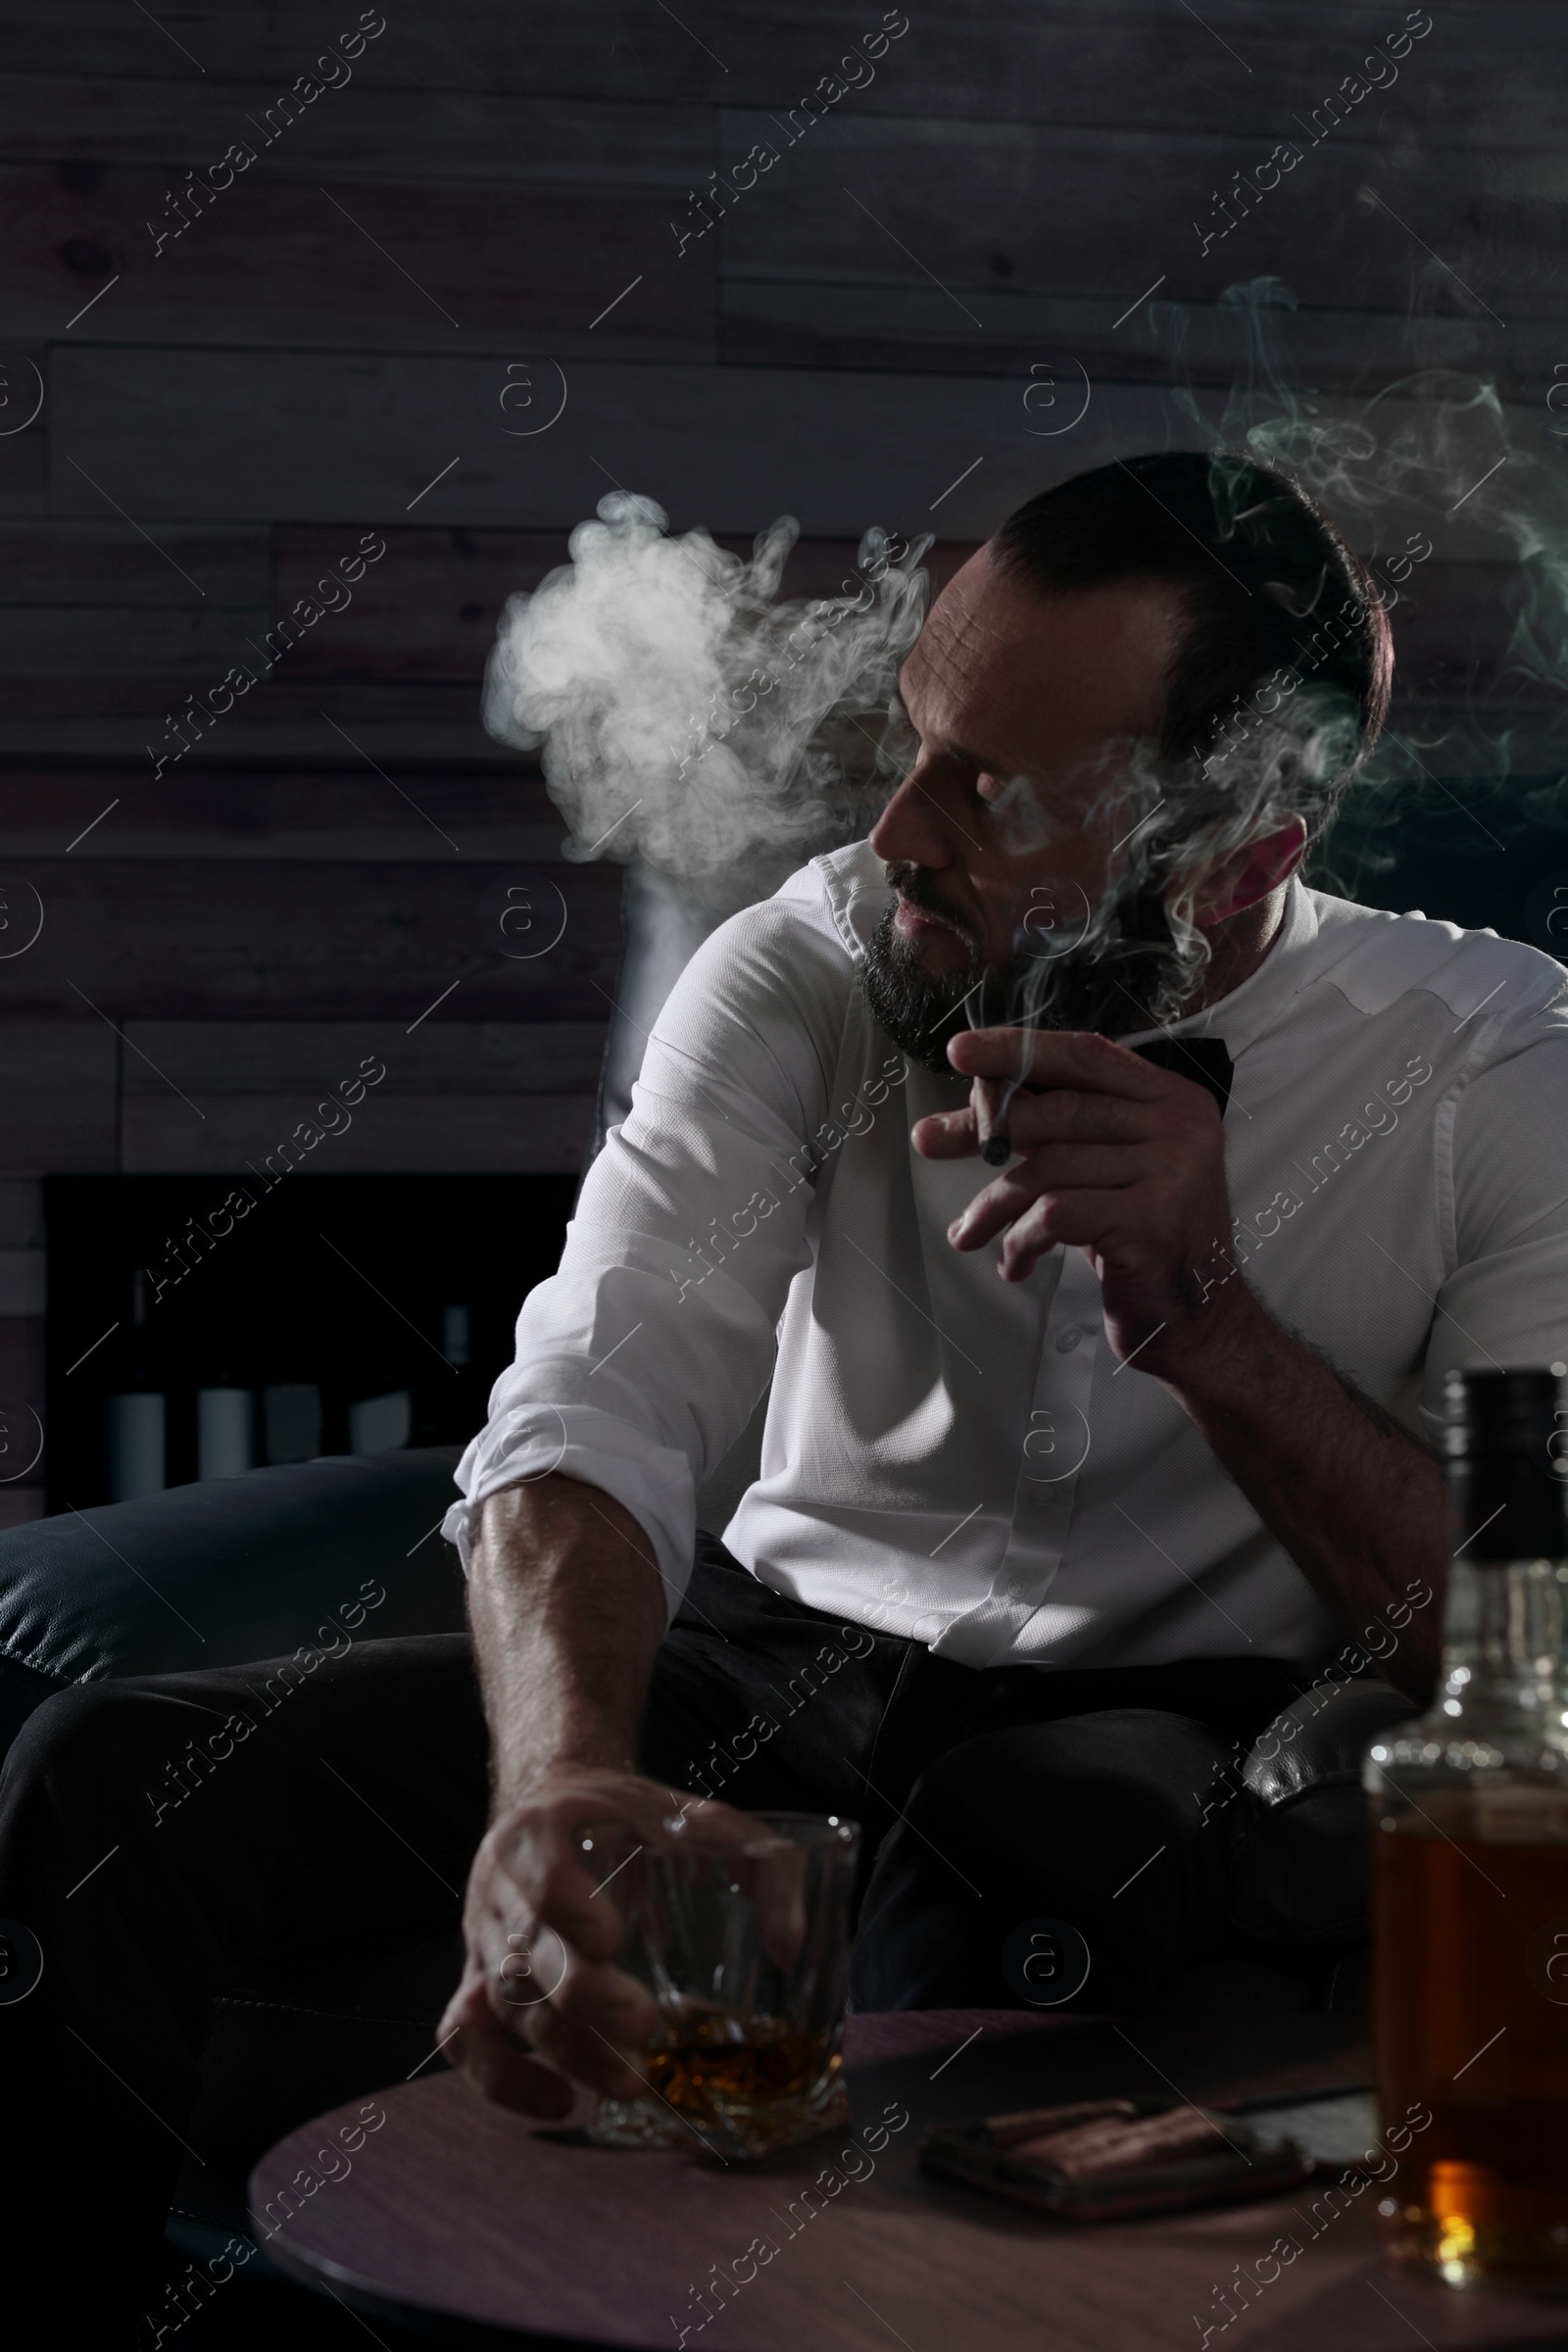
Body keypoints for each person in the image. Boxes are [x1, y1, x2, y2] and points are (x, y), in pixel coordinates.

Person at [4, 453, 1566, 2337]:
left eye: (990, 791)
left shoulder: (1495, 1063)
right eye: (917, 740)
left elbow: (1512, 1628)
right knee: (102, 1788)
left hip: (1177, 1731)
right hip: (777, 1669)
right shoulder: (816, 958)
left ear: (1242, 853)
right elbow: (596, 1401)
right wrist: (565, 1779)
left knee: (1028, 1832)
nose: (897, 827)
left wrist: (1210, 1320)